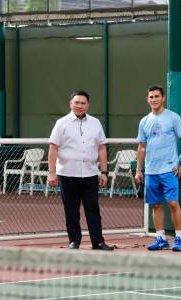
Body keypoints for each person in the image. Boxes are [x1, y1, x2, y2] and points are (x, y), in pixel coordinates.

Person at [48, 91, 114, 251]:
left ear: (88, 105)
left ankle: (98, 242)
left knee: (93, 209)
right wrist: (52, 172)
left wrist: (104, 171)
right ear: (71, 104)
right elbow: (53, 148)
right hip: (67, 173)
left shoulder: (95, 123)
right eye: (77, 102)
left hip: (91, 173)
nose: (79, 106)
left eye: (83, 103)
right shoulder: (61, 123)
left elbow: (101, 148)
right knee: (71, 210)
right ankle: (74, 241)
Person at [135, 85, 181, 252]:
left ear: (163, 98)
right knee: (156, 205)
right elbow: (142, 147)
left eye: (157, 96)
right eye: (151, 97)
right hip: (151, 171)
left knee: (173, 204)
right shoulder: (144, 121)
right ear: (147, 99)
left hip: (169, 170)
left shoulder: (173, 117)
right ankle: (161, 238)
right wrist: (139, 169)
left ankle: (179, 239)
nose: (154, 99)